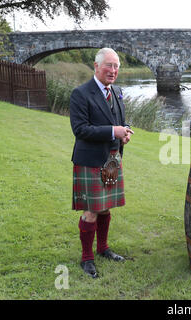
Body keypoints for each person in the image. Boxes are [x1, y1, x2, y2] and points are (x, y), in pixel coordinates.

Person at [70, 47, 134, 278]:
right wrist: (112, 131)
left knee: (105, 207)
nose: (113, 70)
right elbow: (80, 129)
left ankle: (103, 248)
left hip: (112, 160)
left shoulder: (116, 91)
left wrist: (124, 132)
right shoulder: (81, 93)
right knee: (91, 211)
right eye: (109, 65)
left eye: (116, 66)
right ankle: (87, 258)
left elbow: (120, 122)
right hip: (91, 160)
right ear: (96, 66)